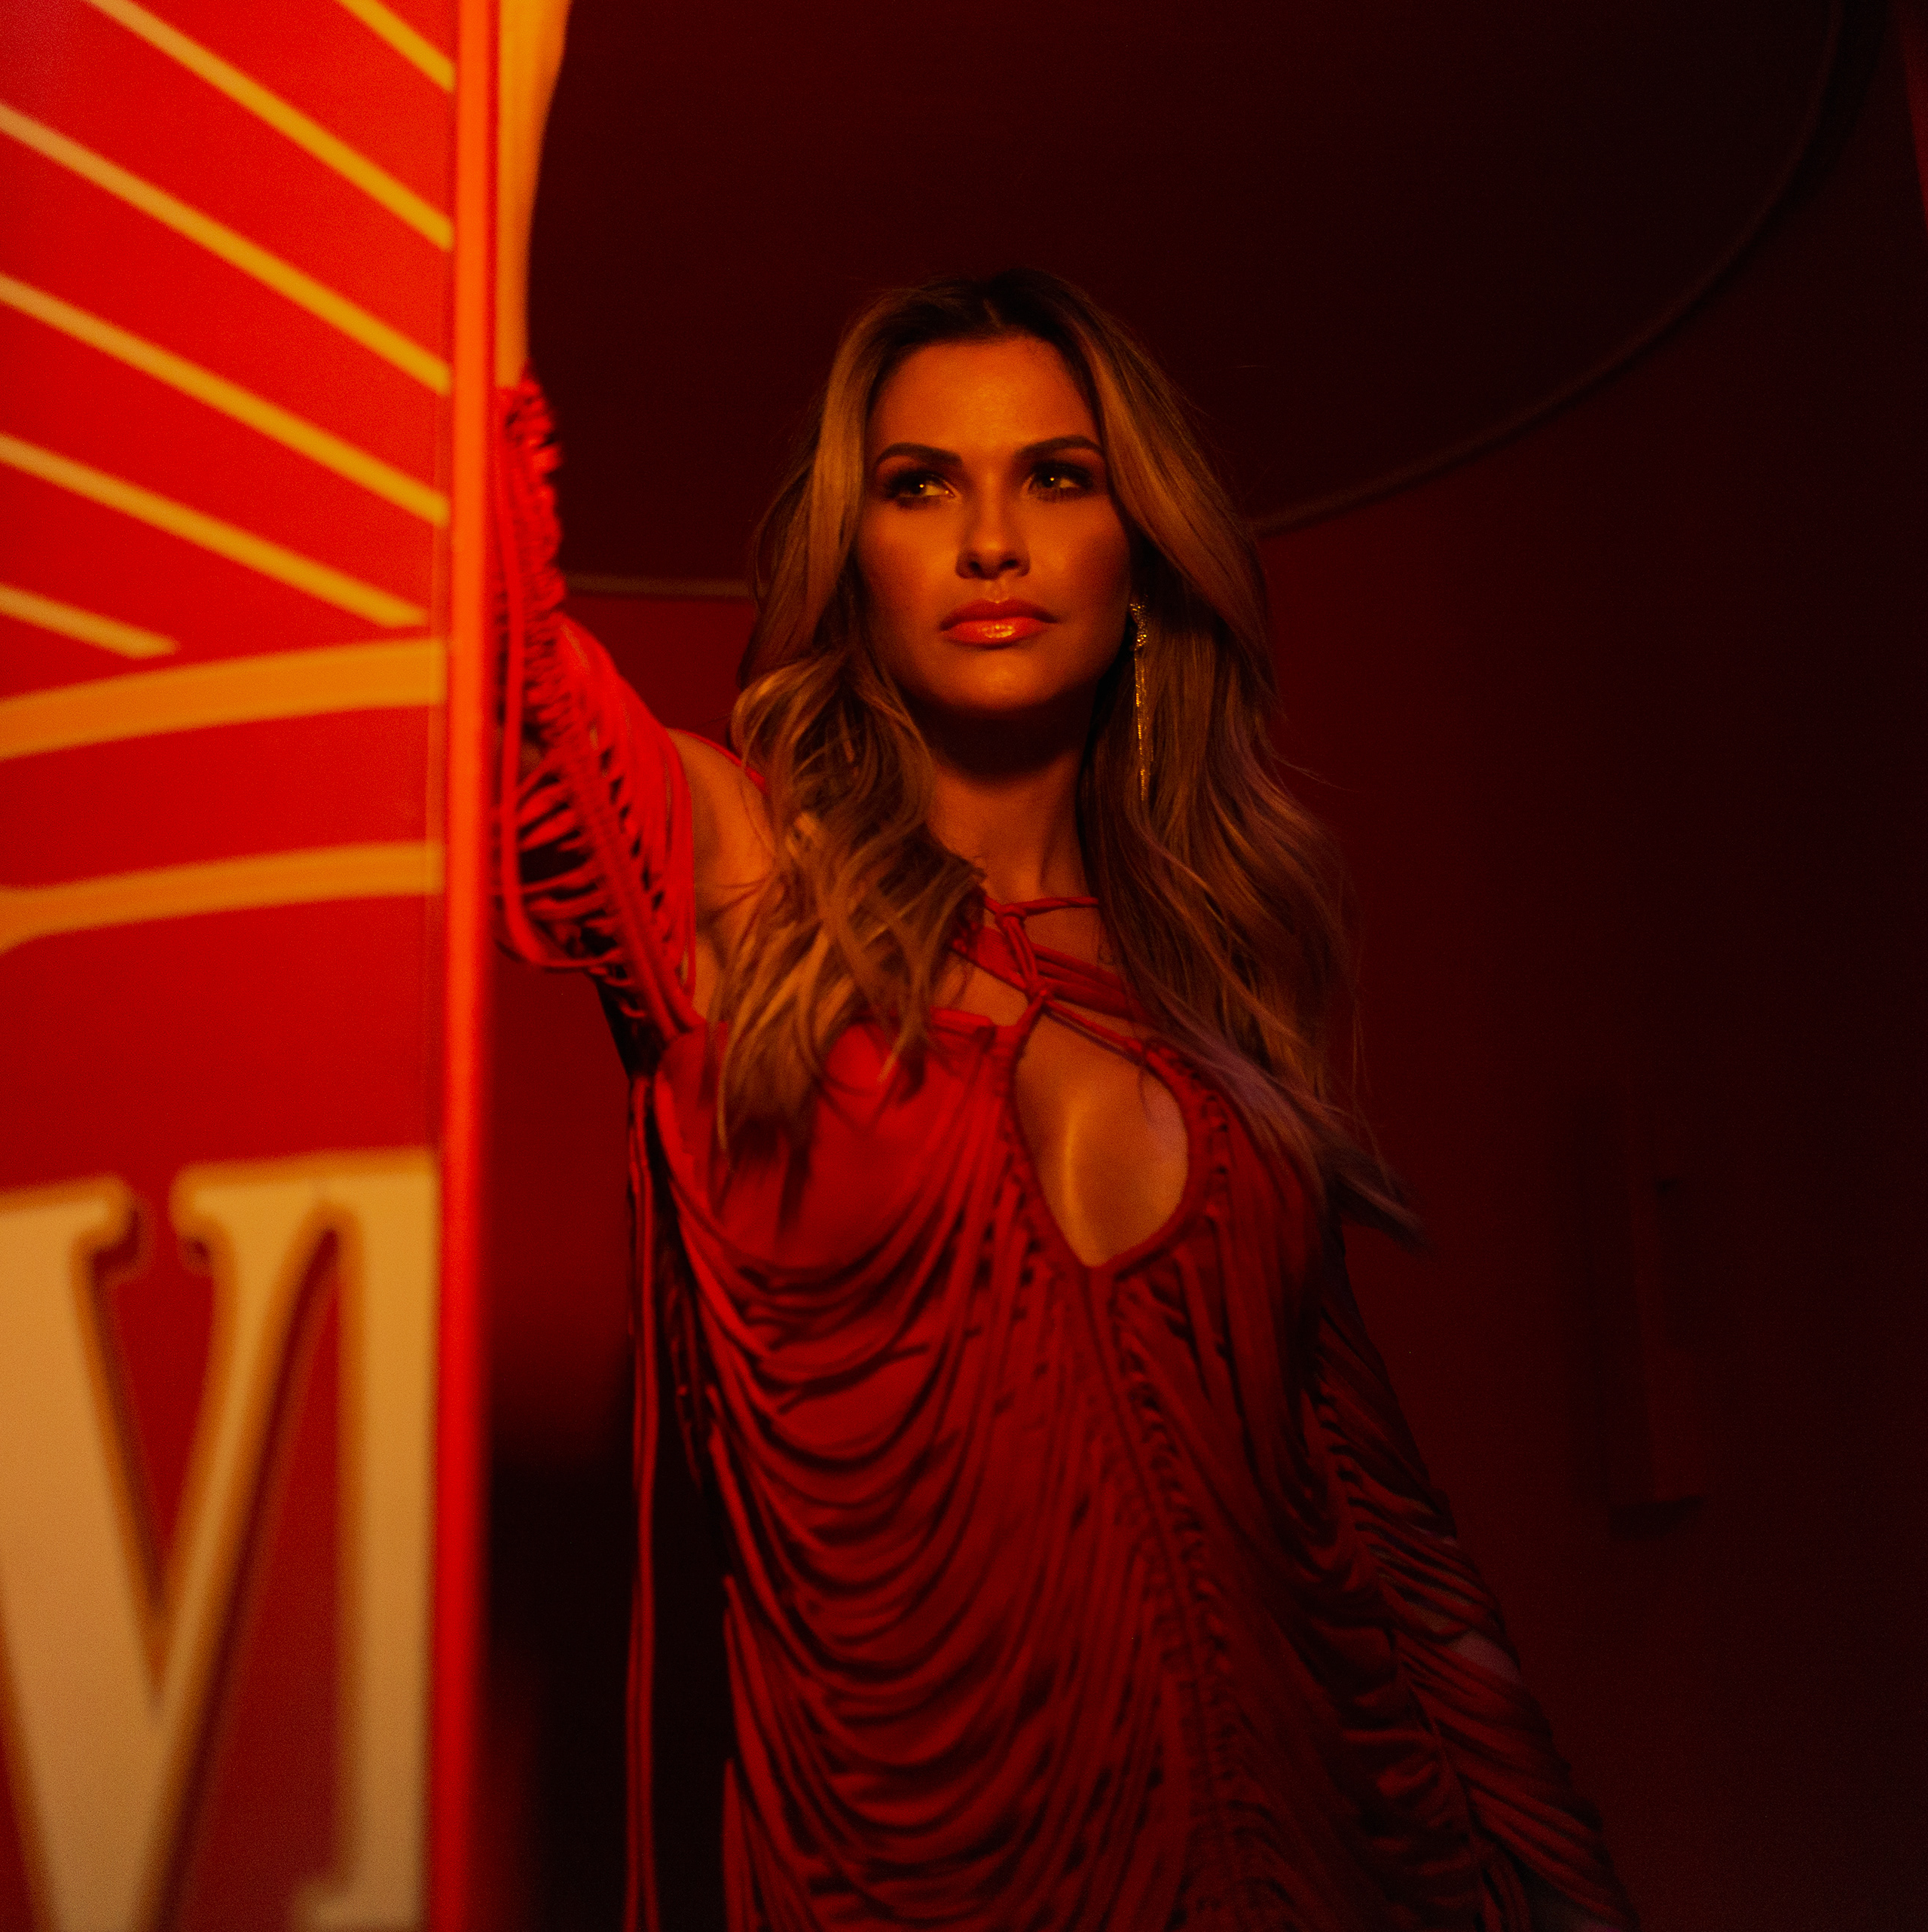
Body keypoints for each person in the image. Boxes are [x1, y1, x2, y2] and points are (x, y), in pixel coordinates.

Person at [482, 253, 1633, 1930]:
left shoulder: (1216, 1004)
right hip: (912, 1883)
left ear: (1140, 557)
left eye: (1057, 478)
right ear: (855, 561)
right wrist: (493, 133)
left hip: (1332, 1872)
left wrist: (1577, 1897)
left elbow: (1393, 1549)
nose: (991, 541)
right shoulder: (745, 880)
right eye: (920, 485)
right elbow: (491, 656)